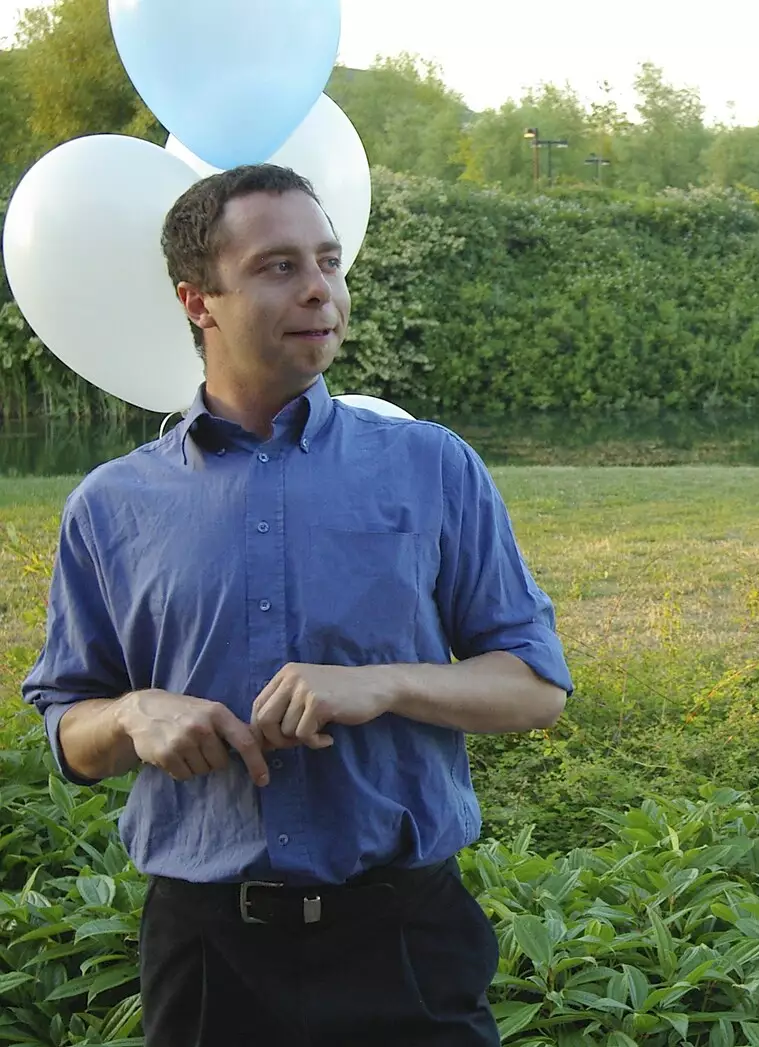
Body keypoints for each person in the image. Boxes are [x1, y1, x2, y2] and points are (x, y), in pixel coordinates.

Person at [21, 164, 572, 1047]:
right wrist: (130, 715)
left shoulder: (432, 468)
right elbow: (69, 731)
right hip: (207, 958)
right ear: (197, 299)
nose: (321, 288)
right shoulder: (110, 506)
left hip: (406, 945)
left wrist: (384, 685)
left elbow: (536, 686)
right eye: (279, 266)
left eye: (329, 259)